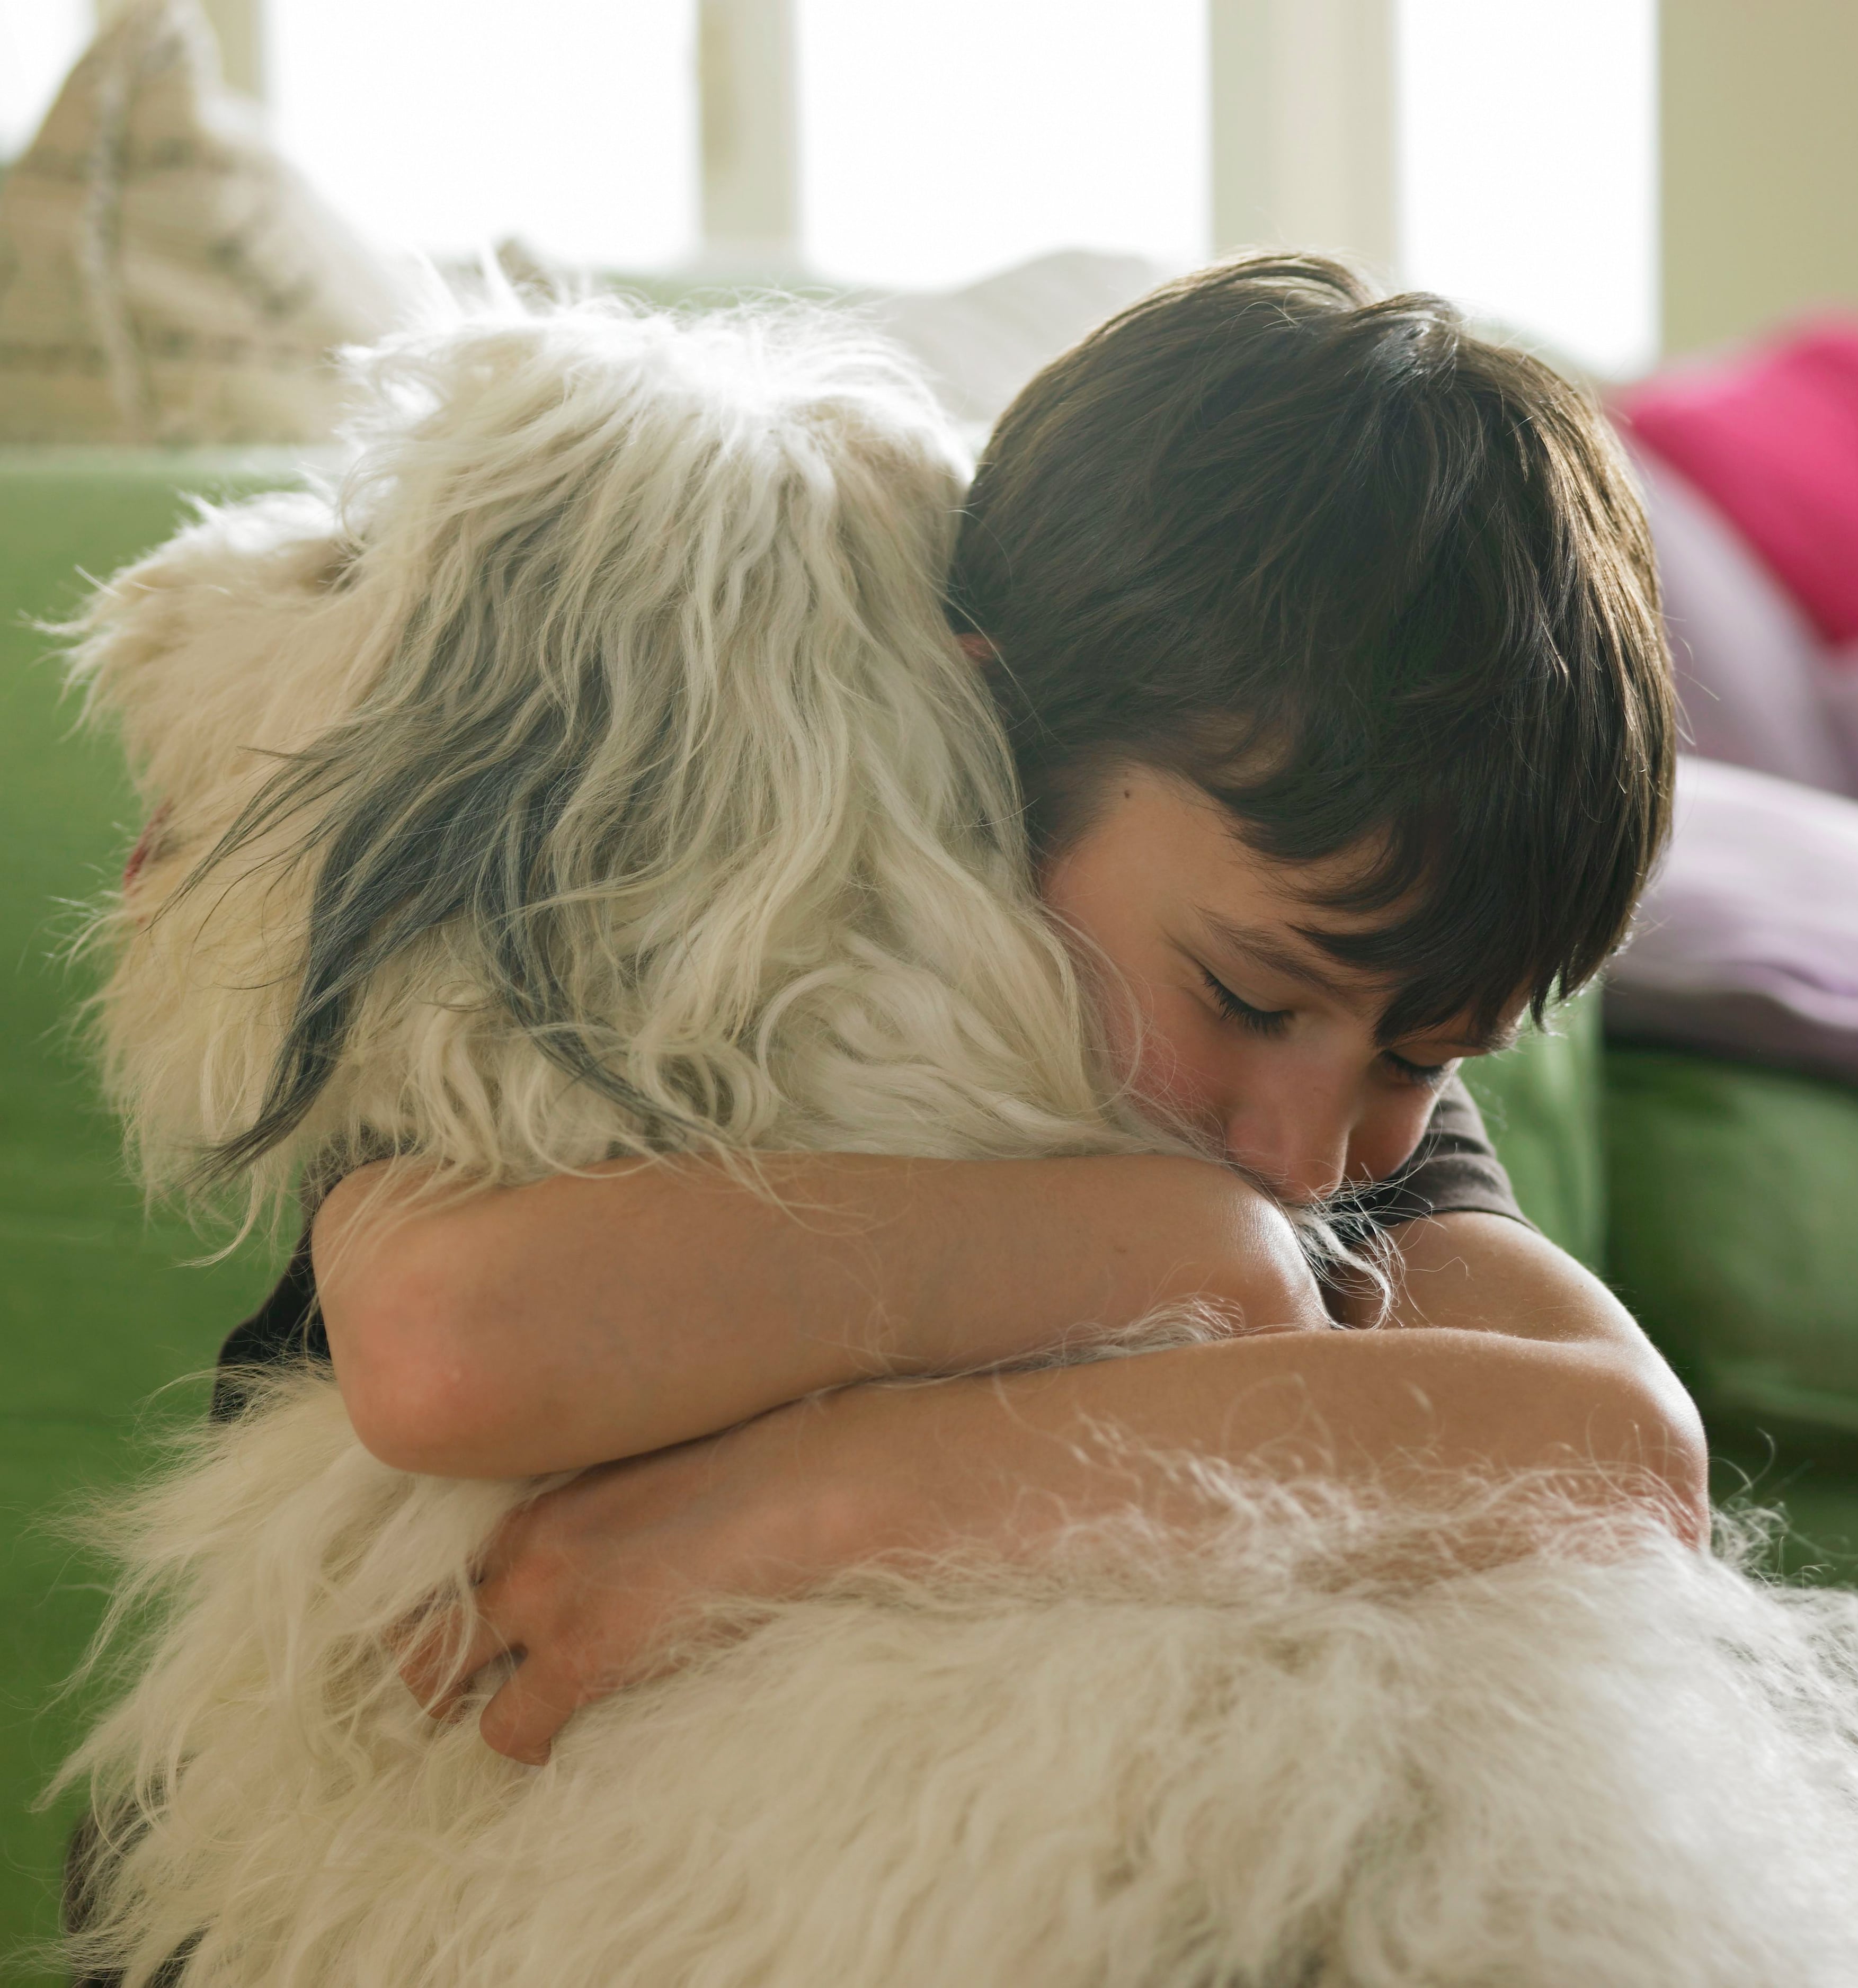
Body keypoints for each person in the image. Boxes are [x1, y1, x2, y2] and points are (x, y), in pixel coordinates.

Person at [216, 255, 1701, 1768]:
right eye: (1252, 998)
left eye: (1426, 1053)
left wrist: (804, 1505)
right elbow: (442, 1344)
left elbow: (1627, 1461)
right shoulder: (707, 921)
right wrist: (1187, 1254)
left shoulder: (1309, 1052)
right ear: (990, 744)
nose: (1313, 1157)